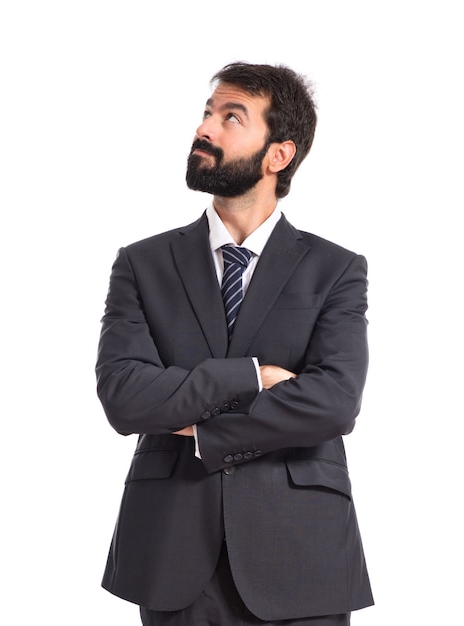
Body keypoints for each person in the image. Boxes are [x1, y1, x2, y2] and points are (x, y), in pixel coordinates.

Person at [95, 62, 374, 626]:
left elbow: (334, 402)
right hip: (172, 551)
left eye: (231, 118)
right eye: (206, 114)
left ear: (279, 154)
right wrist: (254, 377)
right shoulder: (142, 265)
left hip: (302, 552)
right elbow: (125, 396)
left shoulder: (336, 270)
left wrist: (199, 427)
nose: (206, 129)